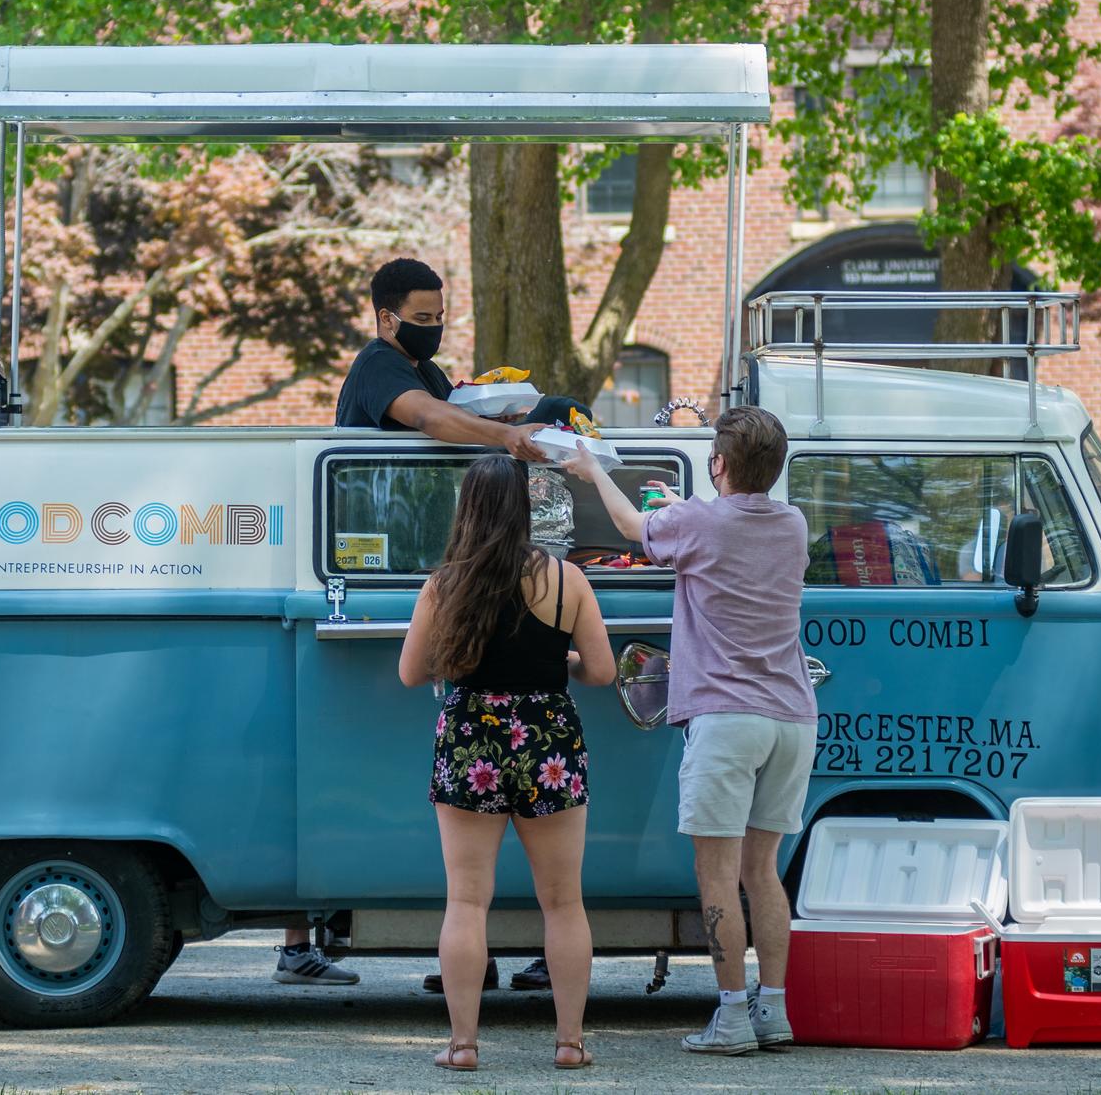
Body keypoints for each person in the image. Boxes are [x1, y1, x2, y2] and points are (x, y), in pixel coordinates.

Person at [566, 405, 814, 1056]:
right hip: (792, 714)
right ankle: (774, 1011)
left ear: (719, 462)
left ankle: (731, 1016)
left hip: (726, 716)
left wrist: (591, 467)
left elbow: (628, 525)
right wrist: (692, 505)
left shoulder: (697, 521)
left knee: (715, 875)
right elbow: (724, 525)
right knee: (764, 872)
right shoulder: (793, 523)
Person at [398, 456, 616, 1072]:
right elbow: (601, 670)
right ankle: (569, 1044)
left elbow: (411, 673)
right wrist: (560, 664)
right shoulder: (567, 579)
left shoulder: (445, 584)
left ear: (466, 508)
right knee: (563, 902)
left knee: (466, 901)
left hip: (472, 741)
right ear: (524, 509)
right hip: (549, 741)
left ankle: (463, 1045)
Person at [338, 258, 584, 460]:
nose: (434, 326)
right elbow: (430, 417)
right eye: (422, 319)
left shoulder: (427, 370)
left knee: (557, 409)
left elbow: (453, 420)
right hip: (380, 513)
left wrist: (492, 418)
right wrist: (506, 434)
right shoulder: (377, 364)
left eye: (439, 317)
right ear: (387, 318)